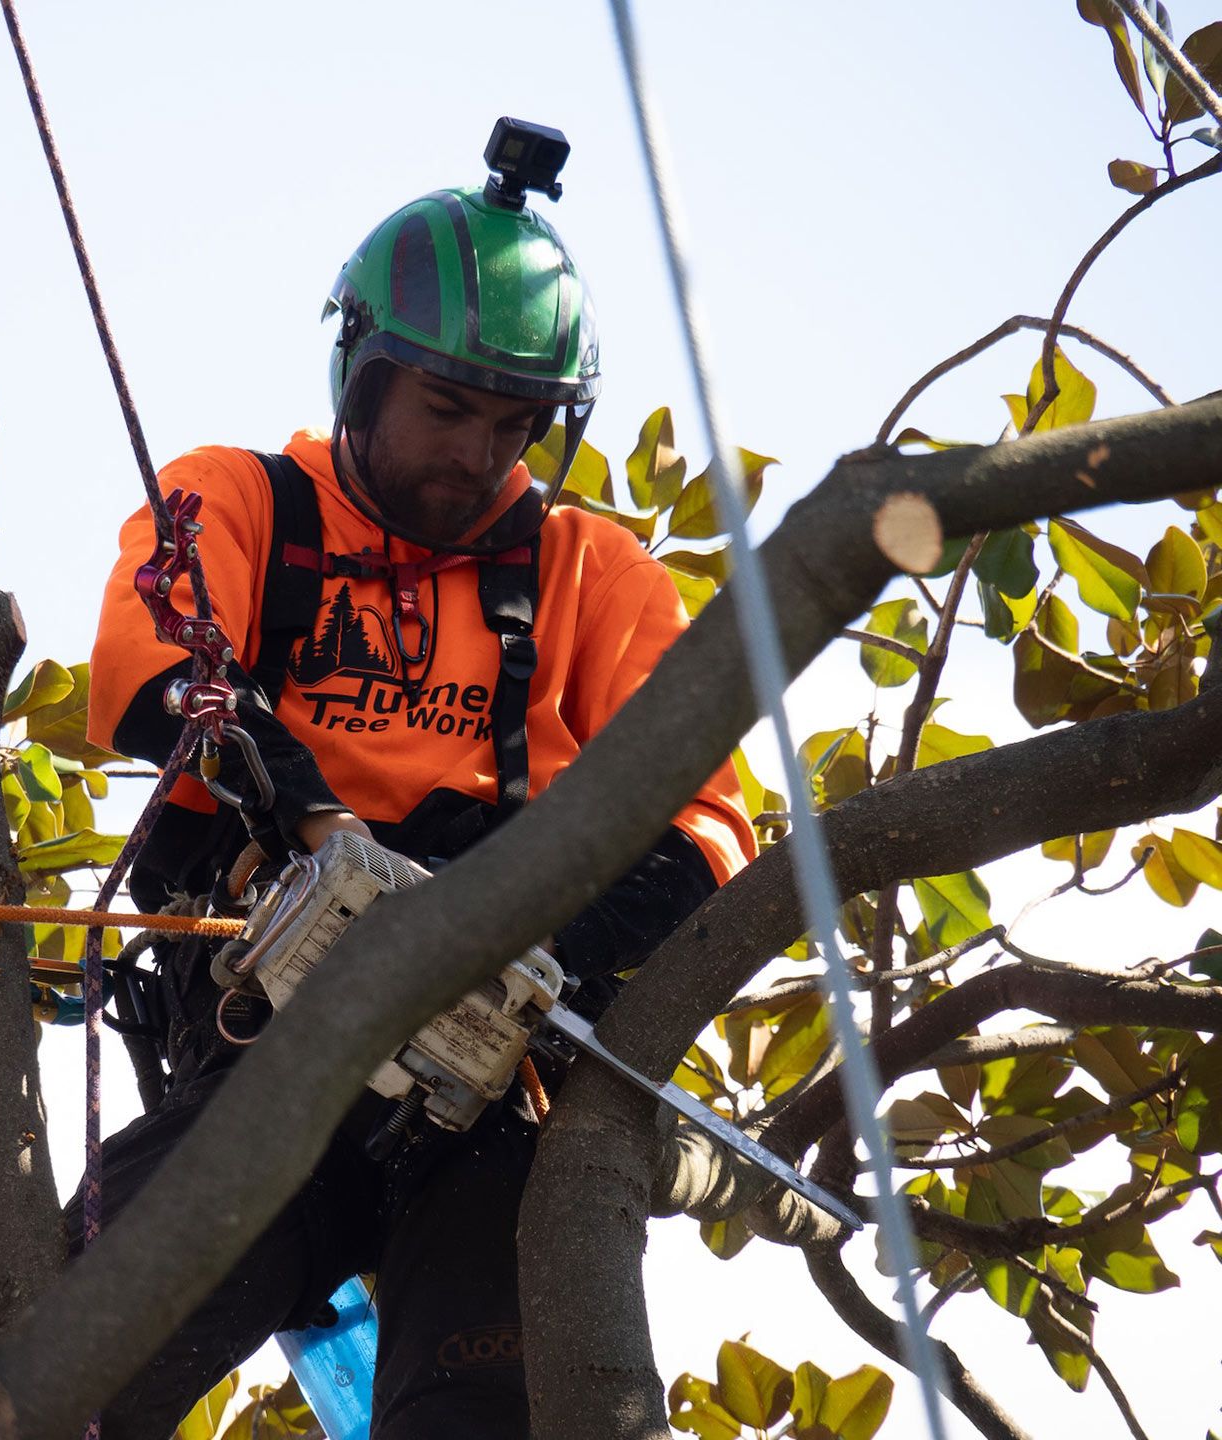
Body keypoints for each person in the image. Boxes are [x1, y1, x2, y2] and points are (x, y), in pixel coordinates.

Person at [79, 125, 756, 1439]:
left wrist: (524, 942)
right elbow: (155, 663)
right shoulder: (244, 502)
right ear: (365, 373)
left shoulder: (593, 577)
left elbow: (705, 826)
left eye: (512, 424)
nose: (474, 453)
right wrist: (305, 808)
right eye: (446, 410)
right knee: (68, 1353)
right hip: (268, 1049)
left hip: (504, 1085)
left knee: (490, 1413)